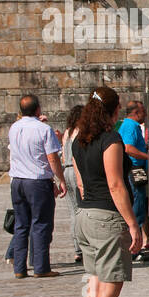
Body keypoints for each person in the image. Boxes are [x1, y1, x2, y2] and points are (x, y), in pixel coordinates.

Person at [73, 86, 144, 297]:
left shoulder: (79, 141)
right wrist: (132, 223)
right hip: (106, 217)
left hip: (85, 214)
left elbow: (80, 182)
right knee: (109, 289)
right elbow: (115, 184)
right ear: (114, 112)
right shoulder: (110, 139)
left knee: (94, 286)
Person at [7, 94, 67, 279]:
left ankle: (19, 267)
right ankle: (41, 267)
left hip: (17, 180)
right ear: (38, 109)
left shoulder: (14, 127)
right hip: (37, 181)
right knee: (41, 223)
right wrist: (60, 179)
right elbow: (52, 157)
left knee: (21, 224)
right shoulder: (44, 129)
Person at [117, 101, 149, 261]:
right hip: (134, 171)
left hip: (134, 170)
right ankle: (133, 248)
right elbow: (128, 148)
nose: (145, 116)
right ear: (136, 113)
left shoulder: (127, 125)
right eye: (144, 113)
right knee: (137, 208)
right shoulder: (131, 126)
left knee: (139, 207)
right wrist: (148, 157)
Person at [63, 104, 85, 265]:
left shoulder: (67, 132)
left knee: (73, 212)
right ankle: (83, 247)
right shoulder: (80, 132)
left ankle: (77, 248)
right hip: (76, 170)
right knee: (80, 211)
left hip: (66, 169)